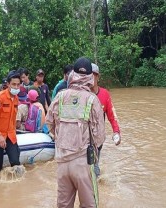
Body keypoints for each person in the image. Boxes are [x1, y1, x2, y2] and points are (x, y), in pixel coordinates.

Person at [46, 57, 105, 208]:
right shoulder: (92, 100)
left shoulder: (60, 96)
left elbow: (49, 123)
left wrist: (62, 138)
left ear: (72, 74)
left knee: (63, 204)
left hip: (62, 161)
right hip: (83, 162)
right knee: (89, 204)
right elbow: (99, 137)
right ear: (91, 77)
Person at [91, 63, 121, 177]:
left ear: (98, 77)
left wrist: (116, 131)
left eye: (95, 75)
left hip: (98, 137)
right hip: (83, 137)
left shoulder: (104, 94)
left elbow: (111, 115)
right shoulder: (81, 94)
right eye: (90, 75)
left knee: (95, 166)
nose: (92, 78)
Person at [0, 70, 21, 172]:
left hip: (10, 136)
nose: (16, 87)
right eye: (13, 84)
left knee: (16, 164)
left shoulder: (16, 99)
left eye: (18, 85)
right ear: (8, 84)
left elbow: (13, 119)